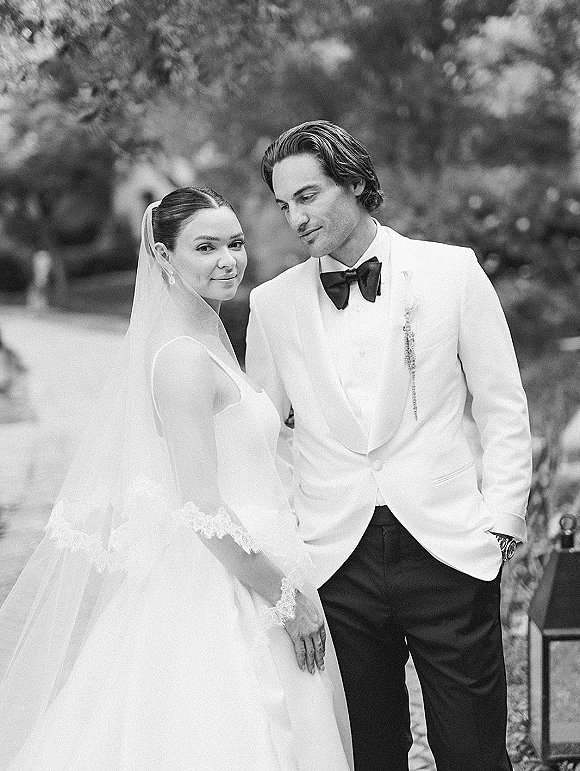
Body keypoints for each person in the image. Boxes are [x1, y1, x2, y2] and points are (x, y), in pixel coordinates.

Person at [0, 188, 352, 771]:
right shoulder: (183, 360)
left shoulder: (207, 339)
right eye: (205, 247)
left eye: (235, 243)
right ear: (164, 256)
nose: (228, 260)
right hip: (230, 584)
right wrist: (286, 599)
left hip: (262, 561)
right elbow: (203, 507)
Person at [245, 121, 532, 771]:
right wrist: (289, 549)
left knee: (474, 753)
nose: (296, 218)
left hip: (448, 548)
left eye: (308, 196)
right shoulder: (273, 305)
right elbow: (264, 441)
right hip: (335, 561)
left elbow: (501, 404)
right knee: (368, 755)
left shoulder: (451, 272)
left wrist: (502, 523)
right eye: (285, 204)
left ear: (353, 182)